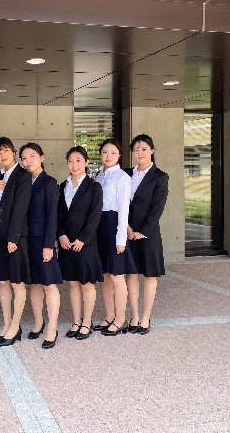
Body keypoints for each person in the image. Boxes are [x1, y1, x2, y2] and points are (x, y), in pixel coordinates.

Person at [0, 137, 32, 347]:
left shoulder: (23, 175)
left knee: (16, 280)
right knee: (3, 280)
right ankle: (6, 324)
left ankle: (16, 326)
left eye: (5, 150)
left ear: (13, 151)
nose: (2, 155)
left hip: (14, 235)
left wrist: (13, 238)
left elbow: (21, 208)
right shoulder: (0, 175)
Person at [57, 146, 103, 340]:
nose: (74, 165)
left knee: (86, 283)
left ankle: (87, 322)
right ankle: (76, 321)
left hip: (86, 244)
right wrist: (61, 235)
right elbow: (57, 215)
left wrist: (82, 239)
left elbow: (95, 216)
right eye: (70, 161)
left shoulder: (94, 187)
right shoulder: (62, 187)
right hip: (66, 243)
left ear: (86, 162)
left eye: (78, 160)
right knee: (73, 284)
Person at [19, 143, 62, 349]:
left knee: (48, 283)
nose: (28, 161)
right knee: (34, 283)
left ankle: (52, 328)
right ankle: (38, 323)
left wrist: (49, 245)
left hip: (42, 240)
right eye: (25, 158)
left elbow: (52, 216)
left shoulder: (49, 183)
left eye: (32, 156)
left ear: (42, 158)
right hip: (26, 239)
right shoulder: (24, 182)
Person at [125, 134, 169, 335]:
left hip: (148, 235)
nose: (139, 153)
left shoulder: (160, 177)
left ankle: (145, 317)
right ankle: (134, 316)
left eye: (143, 149)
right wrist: (125, 226)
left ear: (152, 150)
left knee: (150, 274)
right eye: (136, 149)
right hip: (126, 231)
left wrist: (143, 231)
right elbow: (121, 204)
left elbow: (157, 208)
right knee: (131, 275)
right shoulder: (126, 174)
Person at [94, 139, 136, 336]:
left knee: (117, 276)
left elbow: (123, 210)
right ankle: (109, 315)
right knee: (104, 276)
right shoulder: (98, 176)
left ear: (119, 155)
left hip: (114, 225)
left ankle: (120, 319)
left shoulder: (122, 178)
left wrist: (121, 239)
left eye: (112, 152)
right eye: (104, 152)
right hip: (99, 227)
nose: (108, 156)